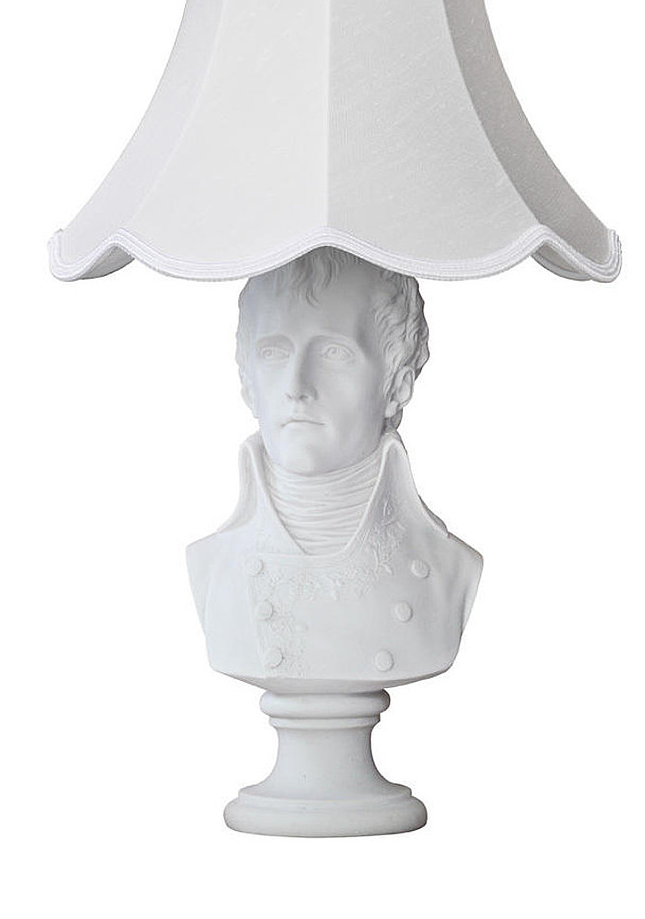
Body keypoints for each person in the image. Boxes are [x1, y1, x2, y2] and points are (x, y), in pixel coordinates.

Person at [187, 247, 482, 686]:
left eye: (333, 353)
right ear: (247, 383)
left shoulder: (448, 572)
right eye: (274, 352)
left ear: (397, 385)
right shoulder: (213, 567)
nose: (297, 386)